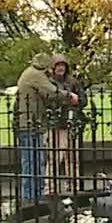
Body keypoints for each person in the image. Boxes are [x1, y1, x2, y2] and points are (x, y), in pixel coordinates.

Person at [14, 53, 78, 202]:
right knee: (32, 163)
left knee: (34, 162)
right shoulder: (36, 75)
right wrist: (70, 96)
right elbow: (50, 91)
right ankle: (31, 200)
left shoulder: (30, 73)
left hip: (32, 123)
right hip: (30, 124)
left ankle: (35, 198)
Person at [47, 54, 85, 195]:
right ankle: (50, 188)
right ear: (53, 67)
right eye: (58, 65)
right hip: (56, 125)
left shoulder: (73, 82)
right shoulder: (49, 83)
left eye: (63, 65)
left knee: (73, 158)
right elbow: (48, 101)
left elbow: (82, 100)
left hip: (72, 123)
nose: (61, 68)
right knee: (55, 158)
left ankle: (73, 186)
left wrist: (74, 104)